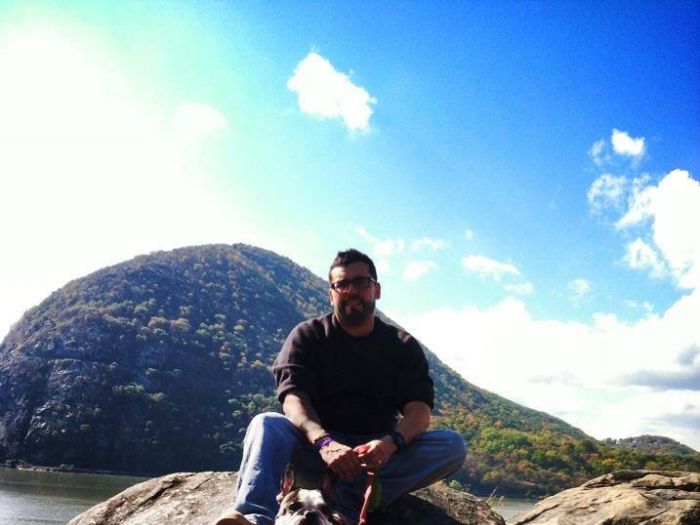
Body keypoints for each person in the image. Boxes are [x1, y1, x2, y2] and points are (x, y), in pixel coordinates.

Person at [214, 249, 466, 525]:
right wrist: (324, 442)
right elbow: (293, 398)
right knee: (266, 424)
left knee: (451, 445)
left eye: (361, 282)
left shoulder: (402, 346)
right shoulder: (307, 336)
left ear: (377, 289)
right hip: (313, 451)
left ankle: (346, 502)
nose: (352, 290)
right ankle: (254, 517)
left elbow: (419, 411)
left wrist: (390, 443)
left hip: (373, 461)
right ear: (331, 294)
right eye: (342, 284)